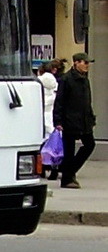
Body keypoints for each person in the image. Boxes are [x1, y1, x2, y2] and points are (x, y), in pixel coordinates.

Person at [53, 52, 96, 189]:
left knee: (90, 145)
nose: (87, 65)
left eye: (88, 63)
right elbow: (59, 102)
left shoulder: (85, 80)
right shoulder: (66, 80)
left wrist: (91, 117)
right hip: (69, 121)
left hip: (84, 120)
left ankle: (70, 171)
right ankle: (67, 179)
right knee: (69, 151)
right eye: (85, 62)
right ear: (76, 63)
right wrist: (58, 121)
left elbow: (87, 102)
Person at [38, 59, 61, 180]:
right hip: (52, 117)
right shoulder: (56, 84)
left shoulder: (37, 83)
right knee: (54, 146)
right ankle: (54, 170)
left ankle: (40, 169)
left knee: (40, 144)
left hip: (40, 117)